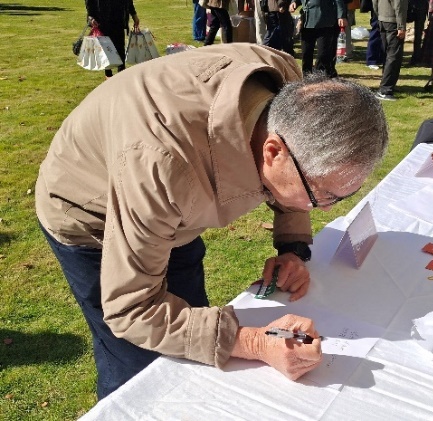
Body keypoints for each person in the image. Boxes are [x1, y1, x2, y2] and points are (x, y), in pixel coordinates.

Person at [35, 43, 389, 399]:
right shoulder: (162, 166)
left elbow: (299, 158)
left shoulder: (292, 91)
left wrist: (292, 245)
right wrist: (253, 342)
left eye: (340, 196)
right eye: (322, 196)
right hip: (91, 215)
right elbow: (132, 310)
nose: (325, 210)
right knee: (137, 367)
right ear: (272, 152)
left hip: (167, 201)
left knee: (189, 335)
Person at [289, 0, 348, 77]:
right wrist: (294, 2)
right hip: (307, 21)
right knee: (306, 53)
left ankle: (320, 76)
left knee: (322, 54)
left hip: (325, 21)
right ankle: (306, 76)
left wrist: (341, 16)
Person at [85, 0, 140, 79]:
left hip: (119, 18)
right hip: (102, 20)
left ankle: (121, 73)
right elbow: (90, 3)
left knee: (120, 48)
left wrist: (134, 15)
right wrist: (91, 17)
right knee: (106, 49)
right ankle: (108, 74)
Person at [373, 0, 409, 100]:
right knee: (394, 56)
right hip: (393, 21)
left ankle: (388, 85)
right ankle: (385, 90)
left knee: (388, 55)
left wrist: (379, 15)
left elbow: (374, 2)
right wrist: (401, 26)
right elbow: (399, 5)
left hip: (383, 18)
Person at [408, 0, 428, 65]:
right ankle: (416, 58)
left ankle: (416, 58)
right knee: (418, 36)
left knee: (418, 36)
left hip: (420, 6)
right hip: (417, 6)